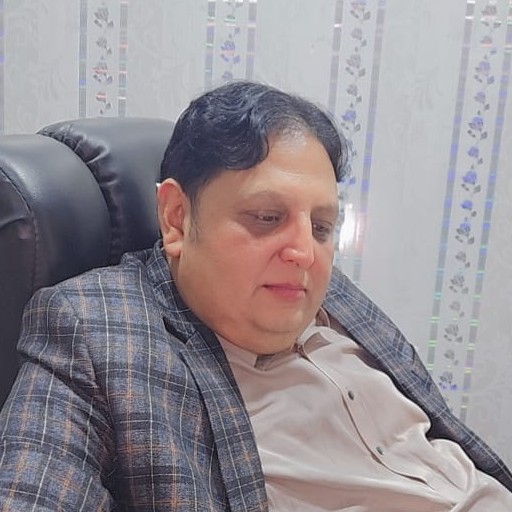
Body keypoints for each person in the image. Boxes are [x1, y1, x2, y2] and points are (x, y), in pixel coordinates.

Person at [0, 81, 511, 512]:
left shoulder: (332, 293)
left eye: (322, 226)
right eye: (267, 217)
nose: (305, 253)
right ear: (176, 217)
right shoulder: (95, 329)